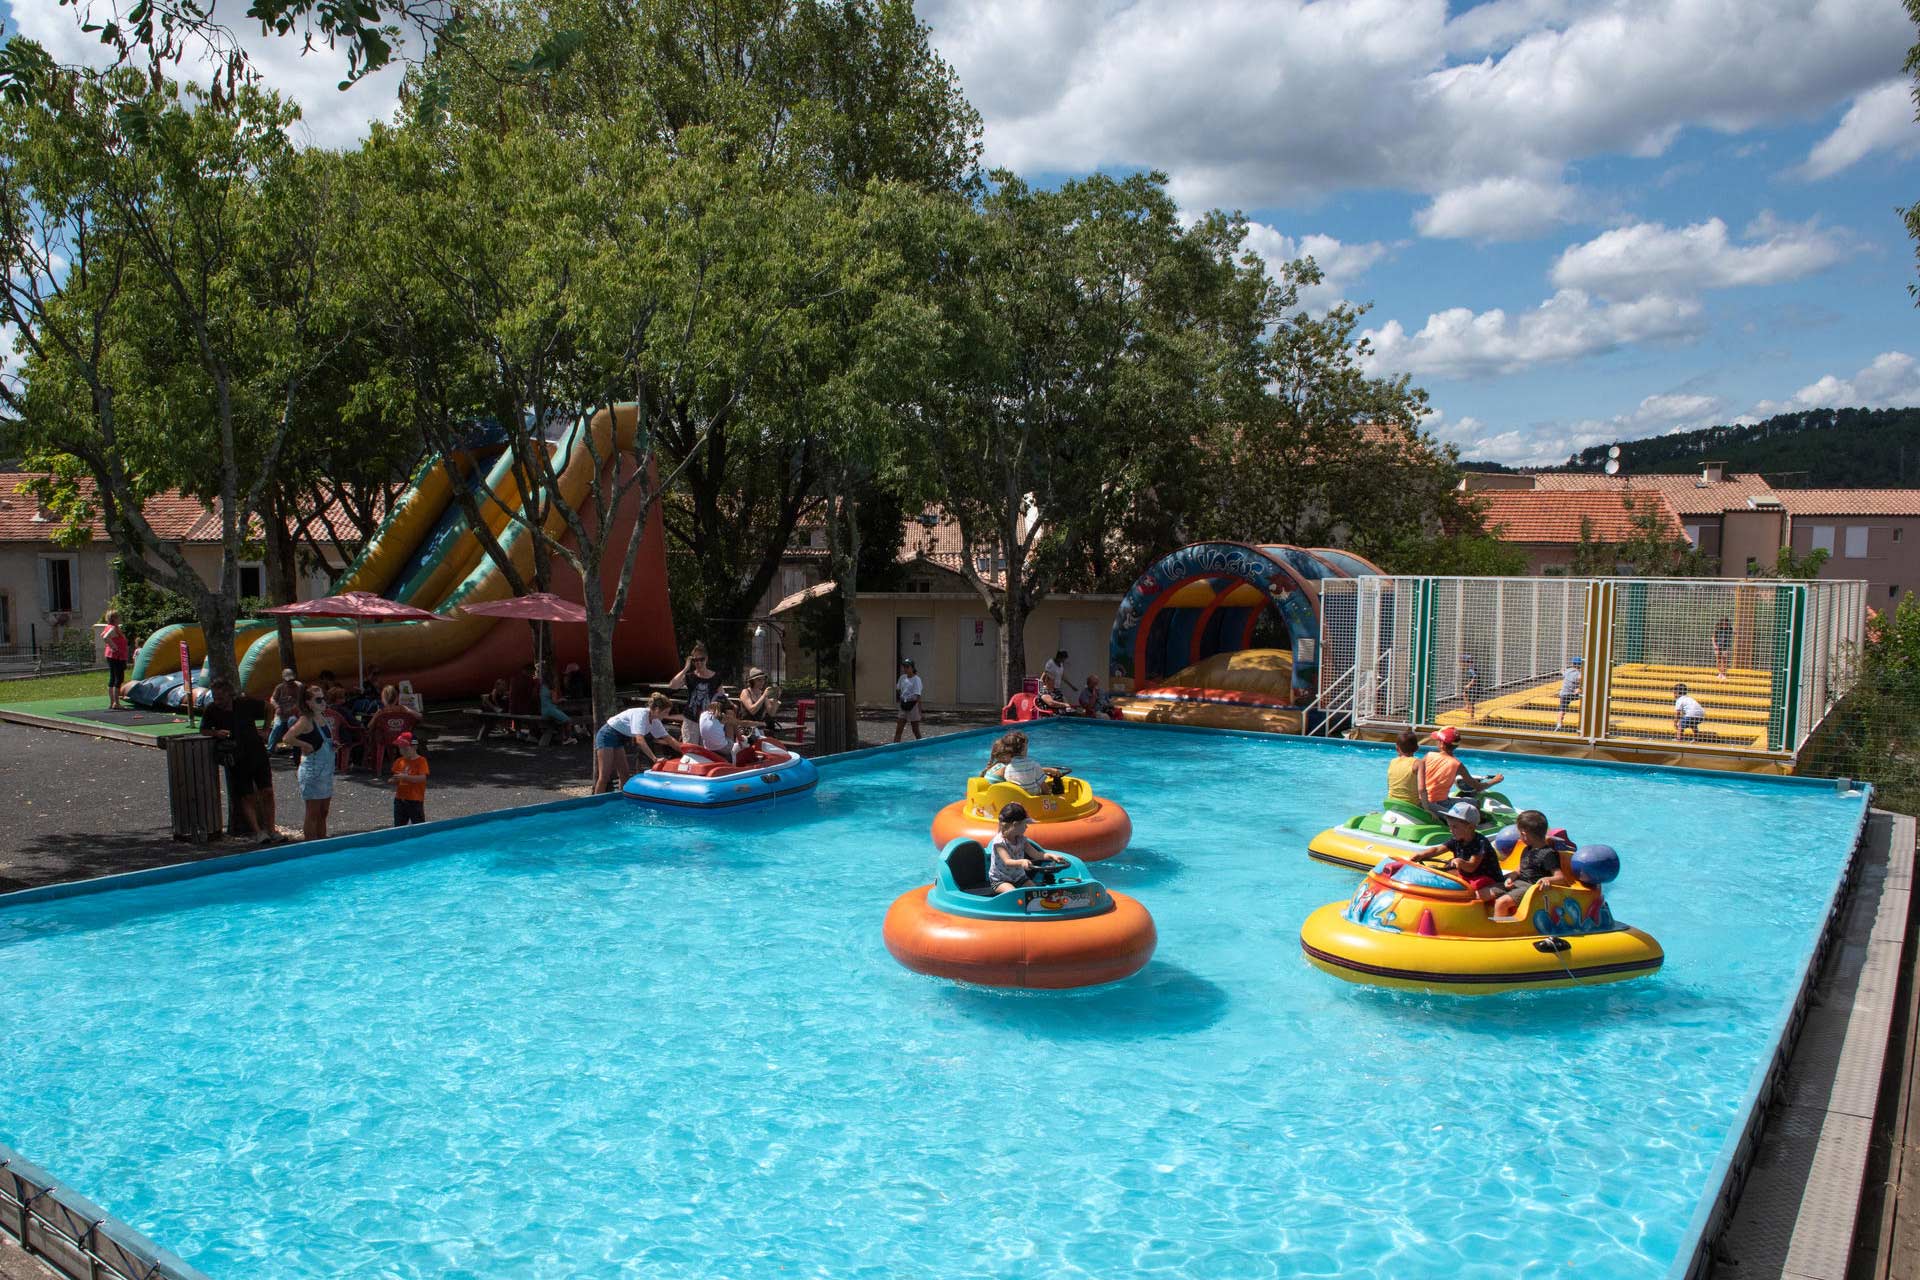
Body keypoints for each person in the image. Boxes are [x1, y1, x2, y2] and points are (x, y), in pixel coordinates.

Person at [201, 677, 279, 843]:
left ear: (230, 694)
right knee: (246, 795)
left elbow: (269, 707)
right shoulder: (212, 710)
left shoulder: (244, 703)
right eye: (215, 697)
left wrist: (266, 729)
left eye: (221, 698)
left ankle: (271, 829)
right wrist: (216, 733)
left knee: (267, 791)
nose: (218, 701)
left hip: (256, 751)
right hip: (236, 756)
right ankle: (257, 832)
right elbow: (204, 730)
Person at [1493, 809, 1575, 920]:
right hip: (1518, 883)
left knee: (1501, 902)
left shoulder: (1548, 854)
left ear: (1524, 834)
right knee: (1487, 892)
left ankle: (1500, 931)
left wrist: (1547, 879)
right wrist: (1512, 876)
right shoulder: (1527, 848)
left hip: (1531, 888)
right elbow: (1520, 868)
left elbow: (1560, 878)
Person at [593, 693, 683, 792]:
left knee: (624, 774)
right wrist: (654, 758)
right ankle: (595, 803)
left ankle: (623, 801)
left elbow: (668, 739)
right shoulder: (641, 715)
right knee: (605, 775)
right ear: (657, 710)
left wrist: (685, 752)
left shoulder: (655, 721)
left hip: (620, 738)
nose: (667, 715)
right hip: (607, 735)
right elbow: (639, 740)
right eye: (665, 712)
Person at [1415, 801, 1503, 902]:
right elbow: (1438, 849)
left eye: (1455, 827)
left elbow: (1471, 867)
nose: (1451, 830)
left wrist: (1460, 862)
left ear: (1470, 827)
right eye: (1450, 826)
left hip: (1486, 879)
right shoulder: (1457, 839)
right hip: (1469, 877)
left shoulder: (1479, 842)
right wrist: (1421, 855)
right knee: (1441, 876)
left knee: (1472, 895)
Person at [283, 684, 336, 841]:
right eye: (318, 700)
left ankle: (322, 842)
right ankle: (311, 845)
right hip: (312, 771)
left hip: (326, 771)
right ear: (308, 702)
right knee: (313, 811)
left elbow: (322, 740)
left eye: (323, 698)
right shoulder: (305, 720)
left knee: (324, 811)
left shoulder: (323, 718)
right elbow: (287, 738)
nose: (323, 702)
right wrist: (304, 745)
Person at [985, 802, 1064, 895]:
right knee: (1013, 894)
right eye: (1025, 824)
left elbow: (1036, 855)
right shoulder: (999, 842)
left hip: (1020, 878)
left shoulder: (1022, 839)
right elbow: (1007, 861)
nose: (1026, 827)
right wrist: (1022, 862)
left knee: (1035, 893)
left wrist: (1050, 856)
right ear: (1015, 825)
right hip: (1000, 880)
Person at [1422, 727, 1504, 807]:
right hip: (1441, 803)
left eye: (1438, 741)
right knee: (1477, 803)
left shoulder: (1428, 755)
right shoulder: (1457, 765)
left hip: (1422, 799)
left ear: (1442, 744)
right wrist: (1495, 780)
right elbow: (1478, 787)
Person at [668, 643, 721, 743]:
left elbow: (721, 696)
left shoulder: (716, 677)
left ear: (706, 659)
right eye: (696, 660)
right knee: (690, 751)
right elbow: (672, 685)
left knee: (705, 752)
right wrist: (685, 669)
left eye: (701, 659)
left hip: (707, 720)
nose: (699, 663)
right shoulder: (689, 676)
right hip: (690, 720)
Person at [385, 732, 429, 826]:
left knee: (418, 825)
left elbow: (422, 778)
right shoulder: (399, 761)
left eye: (405, 748)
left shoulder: (421, 761)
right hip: (400, 799)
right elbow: (396, 778)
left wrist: (405, 777)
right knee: (398, 826)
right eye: (400, 748)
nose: (402, 751)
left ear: (414, 747)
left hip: (415, 799)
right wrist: (393, 780)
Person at [534, 664, 579, 744]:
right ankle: (567, 738)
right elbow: (555, 701)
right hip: (551, 710)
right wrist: (561, 699)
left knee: (561, 720)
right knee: (568, 720)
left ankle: (562, 736)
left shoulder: (542, 687)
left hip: (544, 710)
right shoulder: (551, 688)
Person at [1385, 730, 1427, 809]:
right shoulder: (1418, 763)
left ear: (1397, 748)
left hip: (1391, 803)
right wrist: (1427, 809)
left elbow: (1389, 786)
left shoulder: (1392, 762)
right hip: (1411, 806)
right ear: (1417, 748)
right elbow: (1421, 789)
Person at [99, 610, 130, 709]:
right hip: (117, 656)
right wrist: (114, 646)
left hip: (111, 655)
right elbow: (105, 637)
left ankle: (112, 702)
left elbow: (103, 635)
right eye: (118, 617)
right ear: (114, 618)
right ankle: (116, 703)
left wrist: (112, 645)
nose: (120, 618)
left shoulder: (109, 627)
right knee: (118, 678)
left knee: (113, 678)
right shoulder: (113, 628)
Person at [266, 667, 302, 750]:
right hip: (281, 713)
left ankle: (294, 746)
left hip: (293, 713)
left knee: (292, 722)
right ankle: (270, 749)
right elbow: (272, 699)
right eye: (288, 680)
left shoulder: (299, 686)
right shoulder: (279, 687)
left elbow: (301, 701)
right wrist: (277, 707)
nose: (290, 682)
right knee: (277, 727)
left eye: (291, 680)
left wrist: (294, 709)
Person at [738, 667, 783, 734]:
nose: (762, 682)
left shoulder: (762, 693)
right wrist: (764, 696)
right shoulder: (746, 692)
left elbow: (771, 713)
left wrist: (776, 698)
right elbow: (752, 710)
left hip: (759, 728)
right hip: (746, 728)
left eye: (763, 680)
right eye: (759, 680)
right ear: (752, 681)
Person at [893, 657, 923, 742]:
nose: (905, 669)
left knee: (915, 730)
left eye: (907, 667)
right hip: (903, 704)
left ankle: (921, 746)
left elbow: (917, 696)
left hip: (913, 705)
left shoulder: (916, 679)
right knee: (899, 729)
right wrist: (902, 697)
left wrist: (919, 711)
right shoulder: (902, 677)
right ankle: (895, 748)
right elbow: (898, 689)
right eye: (904, 667)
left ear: (912, 668)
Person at [507, 662, 541, 731]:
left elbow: (513, 694)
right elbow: (533, 696)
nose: (533, 674)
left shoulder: (514, 679)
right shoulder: (529, 681)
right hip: (524, 709)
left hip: (513, 708)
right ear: (528, 671)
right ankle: (534, 733)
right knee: (536, 709)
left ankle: (518, 732)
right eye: (533, 672)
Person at [1553, 657, 1583, 731]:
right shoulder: (1578, 674)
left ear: (1573, 664)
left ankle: (1559, 724)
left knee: (1562, 709)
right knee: (1584, 695)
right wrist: (1580, 688)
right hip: (1572, 694)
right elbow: (1581, 679)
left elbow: (1562, 671)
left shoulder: (1567, 671)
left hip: (1564, 694)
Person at [1458, 652, 1479, 720]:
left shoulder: (1471, 669)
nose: (1462, 665)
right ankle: (1467, 706)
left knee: (1471, 701)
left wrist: (1469, 685)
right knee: (1464, 694)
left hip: (1474, 687)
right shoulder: (1470, 668)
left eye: (1463, 663)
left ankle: (1471, 715)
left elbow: (1475, 677)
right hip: (1472, 686)